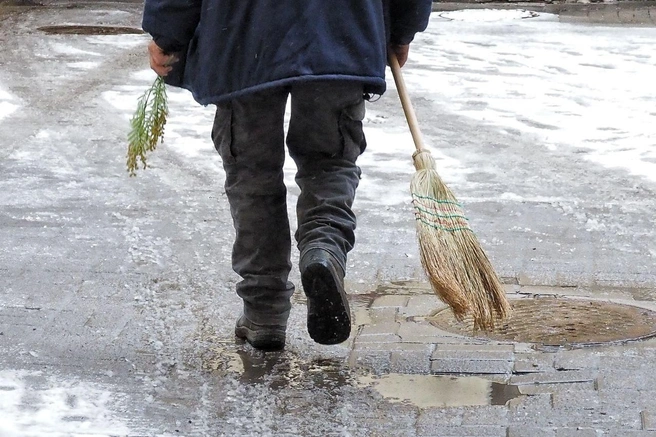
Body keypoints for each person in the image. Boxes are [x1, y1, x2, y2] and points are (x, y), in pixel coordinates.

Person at [142, 0, 433, 351]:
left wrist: (167, 33)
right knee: (330, 161)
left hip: (243, 34)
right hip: (342, 28)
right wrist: (403, 28)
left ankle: (264, 311)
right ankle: (323, 249)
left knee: (252, 172)